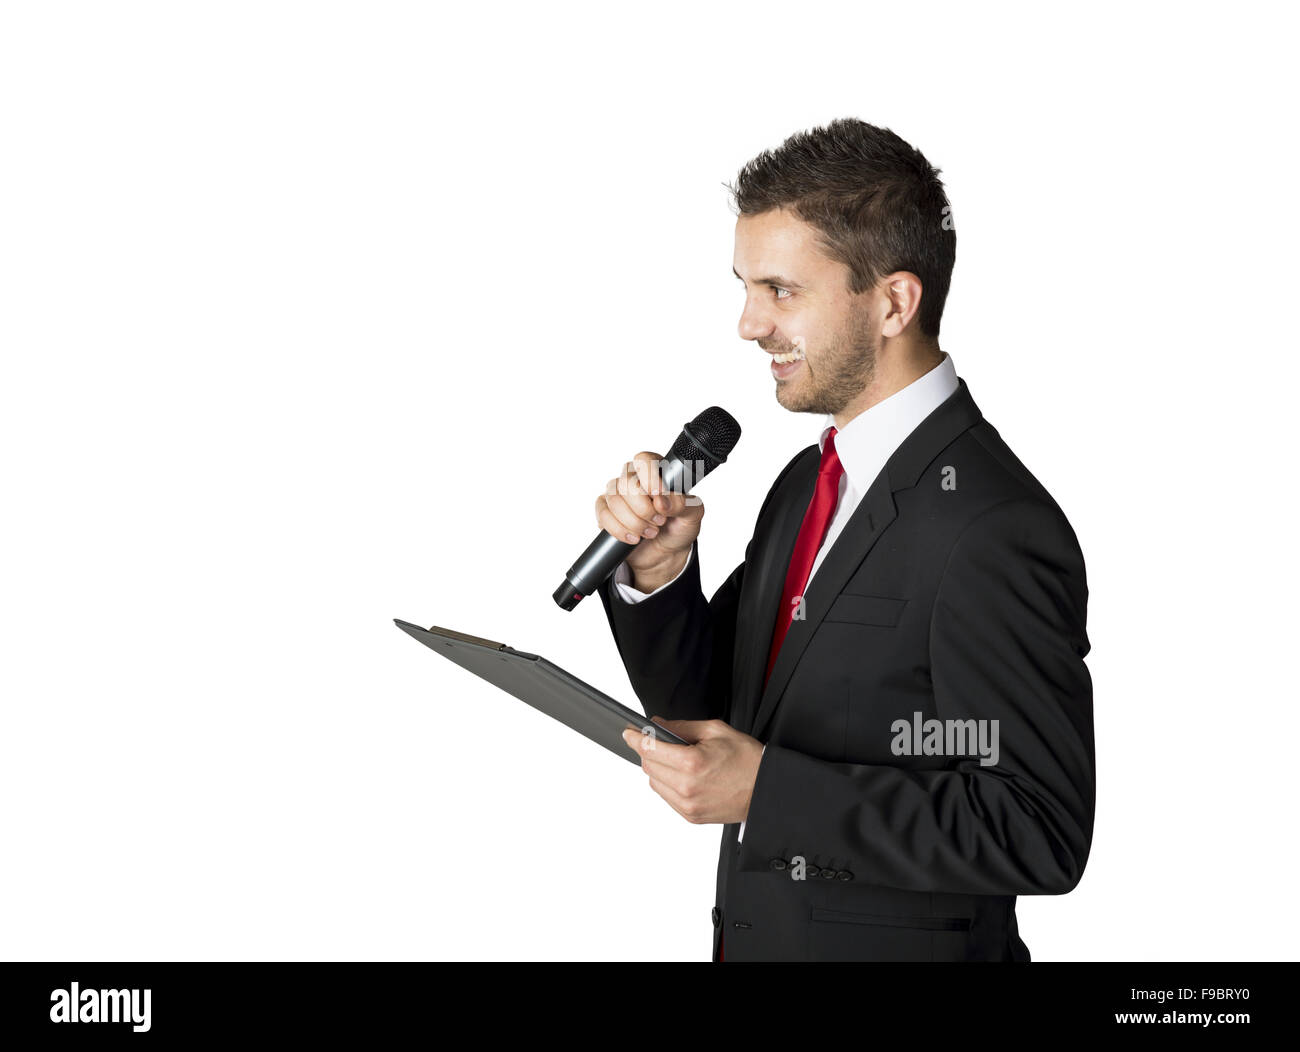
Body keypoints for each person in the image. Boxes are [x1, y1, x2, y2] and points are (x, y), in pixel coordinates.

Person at [594, 118, 1095, 962]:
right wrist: (661, 572)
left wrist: (769, 793)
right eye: (746, 286)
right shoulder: (805, 484)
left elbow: (1036, 828)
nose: (749, 325)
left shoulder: (995, 529)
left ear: (894, 301)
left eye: (781, 291)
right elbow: (718, 710)